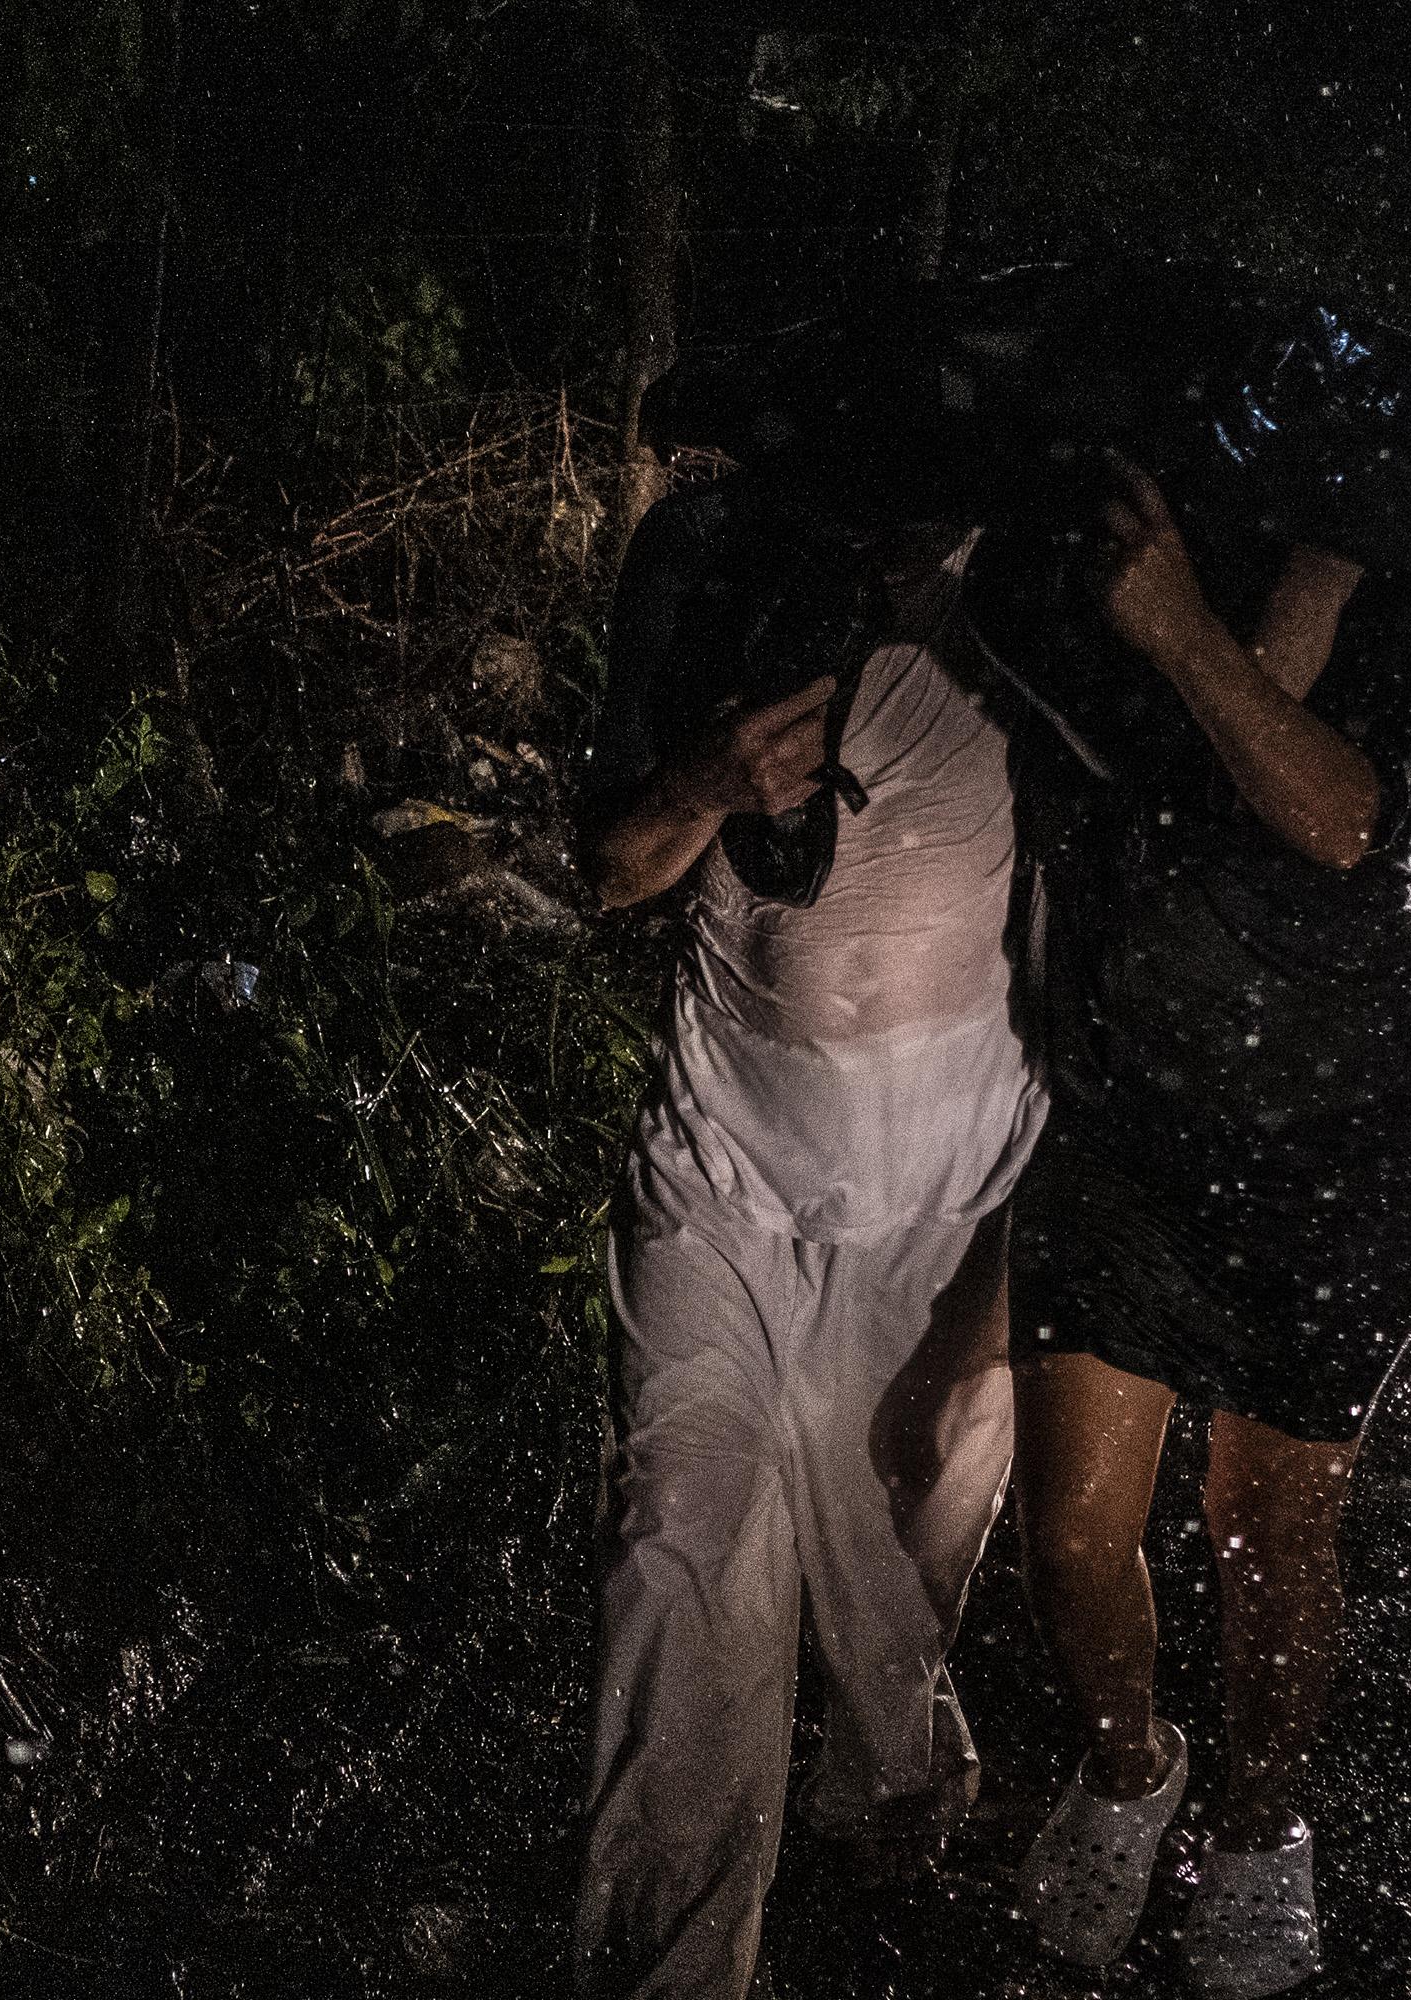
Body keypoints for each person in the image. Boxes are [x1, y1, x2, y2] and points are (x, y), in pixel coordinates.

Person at [569, 483, 1044, 2000]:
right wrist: (702, 777)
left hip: (954, 1187)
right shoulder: (717, 559)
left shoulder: (1047, 591)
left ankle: (884, 1767)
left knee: (900, 1547)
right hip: (727, 1172)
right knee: (682, 1539)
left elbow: (1125, 906)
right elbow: (610, 867)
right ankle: (672, 1965)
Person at [999, 460, 1411, 1999]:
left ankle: (1261, 1827)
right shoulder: (1062, 564)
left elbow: (1334, 817)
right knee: (1070, 1534)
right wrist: (1167, 613)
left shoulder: (1392, 590)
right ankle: (1134, 1769)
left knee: (1269, 1530)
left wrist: (1214, 623)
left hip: (1338, 1125)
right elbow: (1127, 767)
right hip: (1131, 1114)